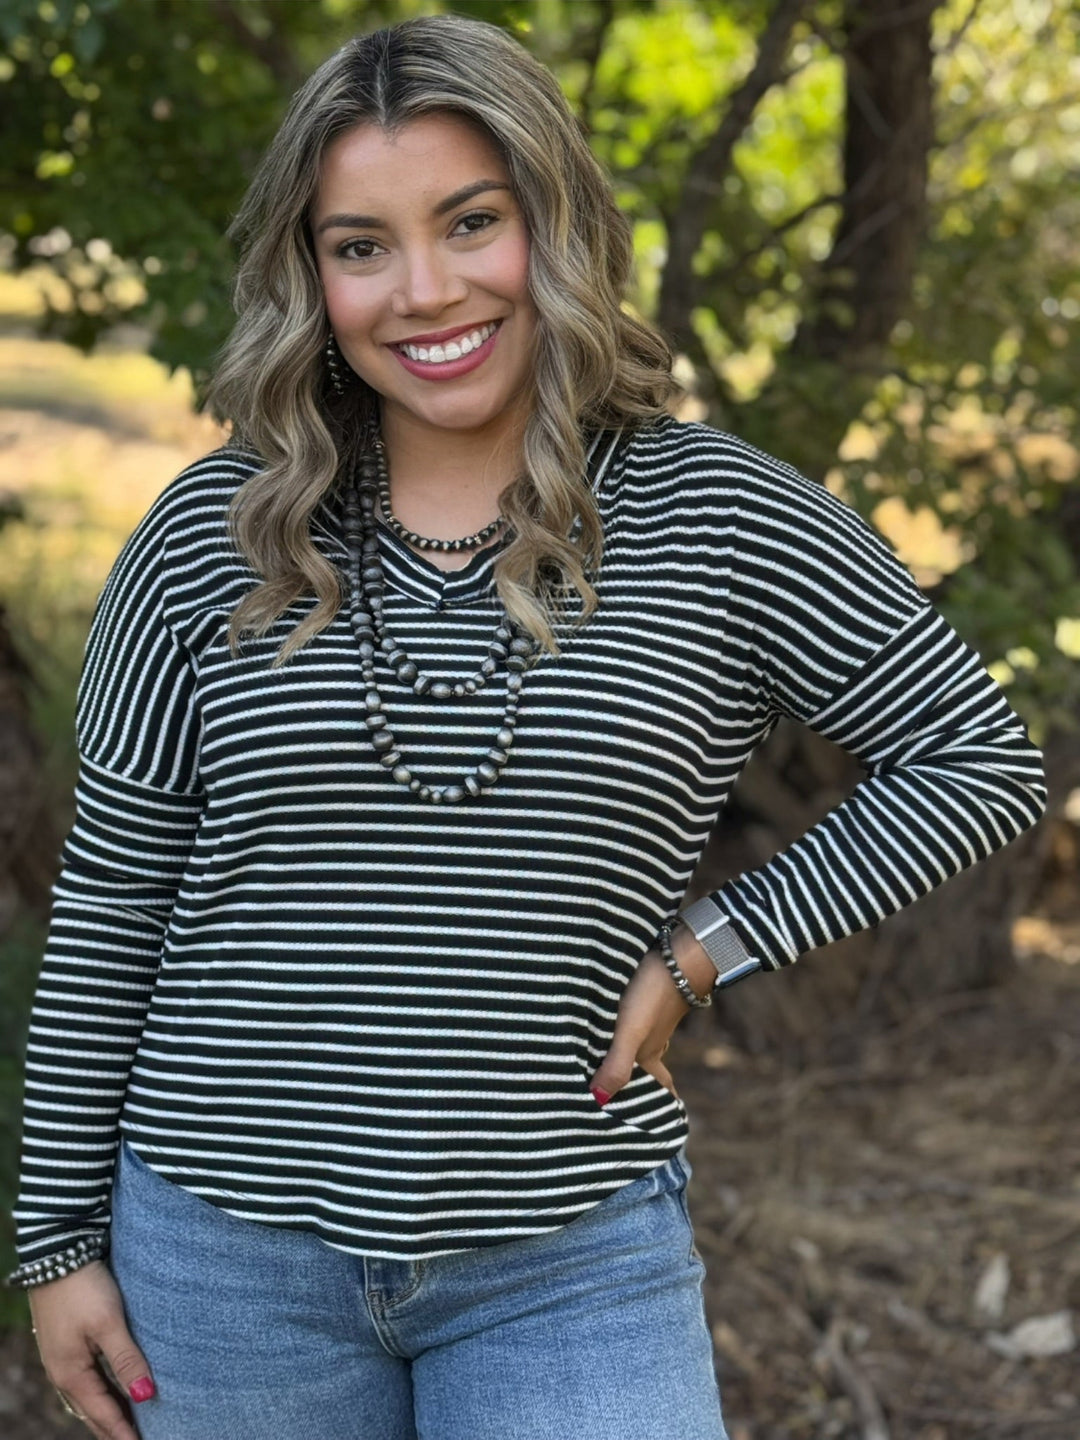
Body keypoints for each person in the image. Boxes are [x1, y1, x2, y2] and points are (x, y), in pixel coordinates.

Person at [5, 14, 1046, 1440]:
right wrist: (55, 1239)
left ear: (552, 220)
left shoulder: (719, 517)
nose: (423, 292)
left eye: (470, 222)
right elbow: (115, 893)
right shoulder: (212, 531)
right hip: (222, 1257)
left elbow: (978, 763)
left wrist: (701, 957)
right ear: (311, 276)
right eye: (361, 244)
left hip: (567, 1257)